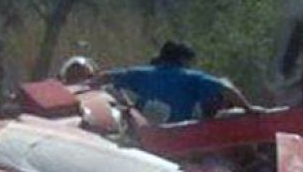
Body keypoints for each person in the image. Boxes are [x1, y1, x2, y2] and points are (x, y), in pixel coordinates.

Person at [95, 41, 261, 124]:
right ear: (183, 60)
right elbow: (226, 89)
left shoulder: (140, 73)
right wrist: (249, 108)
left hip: (147, 134)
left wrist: (87, 86)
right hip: (179, 133)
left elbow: (105, 76)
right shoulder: (194, 78)